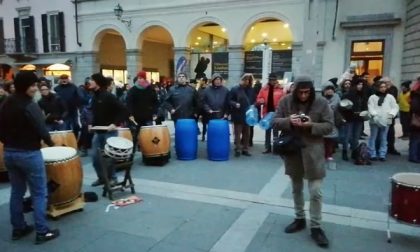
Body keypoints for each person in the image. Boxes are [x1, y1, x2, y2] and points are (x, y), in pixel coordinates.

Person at [272, 75, 333, 248]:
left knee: (316, 192)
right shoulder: (286, 101)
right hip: (293, 151)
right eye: (301, 92)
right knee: (296, 188)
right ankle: (299, 218)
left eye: (307, 92)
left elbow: (330, 126)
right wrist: (288, 121)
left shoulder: (321, 103)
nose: (304, 95)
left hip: (314, 152)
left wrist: (311, 125)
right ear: (295, 90)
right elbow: (275, 122)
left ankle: (316, 226)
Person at [0, 71, 60, 244]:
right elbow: (41, 128)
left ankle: (18, 228)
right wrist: (50, 142)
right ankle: (42, 231)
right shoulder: (29, 105)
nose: (36, 89)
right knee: (39, 193)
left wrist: (8, 142)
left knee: (16, 192)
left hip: (10, 153)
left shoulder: (6, 102)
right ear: (25, 86)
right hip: (29, 154)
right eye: (33, 86)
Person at [89, 73, 128, 187]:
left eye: (92, 80)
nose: (90, 82)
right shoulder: (94, 96)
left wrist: (114, 123)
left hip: (109, 132)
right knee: (95, 157)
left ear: (98, 83)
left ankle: (113, 178)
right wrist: (91, 124)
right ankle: (102, 178)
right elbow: (95, 114)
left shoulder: (108, 96)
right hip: (98, 132)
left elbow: (123, 110)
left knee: (109, 158)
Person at [367, 80, 399, 161]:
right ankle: (372, 153)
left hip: (387, 119)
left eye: (384, 87)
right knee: (373, 137)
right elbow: (371, 107)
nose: (383, 89)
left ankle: (382, 154)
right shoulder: (373, 97)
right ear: (377, 88)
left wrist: (391, 115)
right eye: (381, 87)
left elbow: (395, 107)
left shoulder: (390, 97)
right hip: (375, 119)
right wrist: (374, 115)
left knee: (384, 138)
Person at [126, 70, 158, 151]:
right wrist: (130, 114)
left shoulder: (150, 89)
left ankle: (148, 151)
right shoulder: (133, 90)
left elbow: (155, 102)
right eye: (138, 78)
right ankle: (132, 152)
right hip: (136, 117)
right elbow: (129, 103)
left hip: (148, 116)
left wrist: (155, 112)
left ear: (145, 79)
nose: (139, 79)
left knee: (148, 135)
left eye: (141, 78)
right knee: (134, 135)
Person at [228, 73, 256, 157]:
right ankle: (237, 148)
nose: (246, 81)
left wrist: (254, 105)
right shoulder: (235, 89)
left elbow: (254, 100)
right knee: (237, 133)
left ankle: (245, 149)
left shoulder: (251, 90)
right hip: (238, 114)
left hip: (248, 115)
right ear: (241, 79)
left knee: (247, 133)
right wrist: (235, 104)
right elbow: (229, 100)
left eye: (248, 80)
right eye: (245, 79)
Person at [256, 73, 285, 153]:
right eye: (271, 79)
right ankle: (267, 148)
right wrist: (261, 101)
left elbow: (284, 100)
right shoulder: (264, 89)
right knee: (267, 131)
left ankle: (276, 148)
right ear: (269, 80)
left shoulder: (280, 89)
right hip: (267, 113)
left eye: (274, 79)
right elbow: (258, 98)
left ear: (276, 80)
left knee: (275, 131)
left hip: (276, 113)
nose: (272, 81)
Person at [201, 73, 230, 140]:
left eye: (219, 79)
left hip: (222, 115)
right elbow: (203, 102)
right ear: (213, 80)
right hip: (210, 115)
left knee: (221, 133)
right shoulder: (207, 90)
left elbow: (228, 103)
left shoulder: (226, 90)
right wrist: (208, 109)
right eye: (216, 79)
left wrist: (227, 113)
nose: (218, 81)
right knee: (212, 133)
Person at [381, 77, 401, 155]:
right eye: (385, 82)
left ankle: (390, 147)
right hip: (382, 114)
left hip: (390, 114)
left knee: (390, 131)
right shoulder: (379, 89)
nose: (387, 83)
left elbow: (393, 100)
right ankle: (381, 147)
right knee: (381, 130)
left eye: (388, 82)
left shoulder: (393, 89)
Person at [409, 77, 420, 163]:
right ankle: (414, 156)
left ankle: (414, 155)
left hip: (415, 118)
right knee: (416, 138)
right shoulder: (417, 93)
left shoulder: (414, 92)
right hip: (417, 118)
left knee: (415, 138)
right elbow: (415, 107)